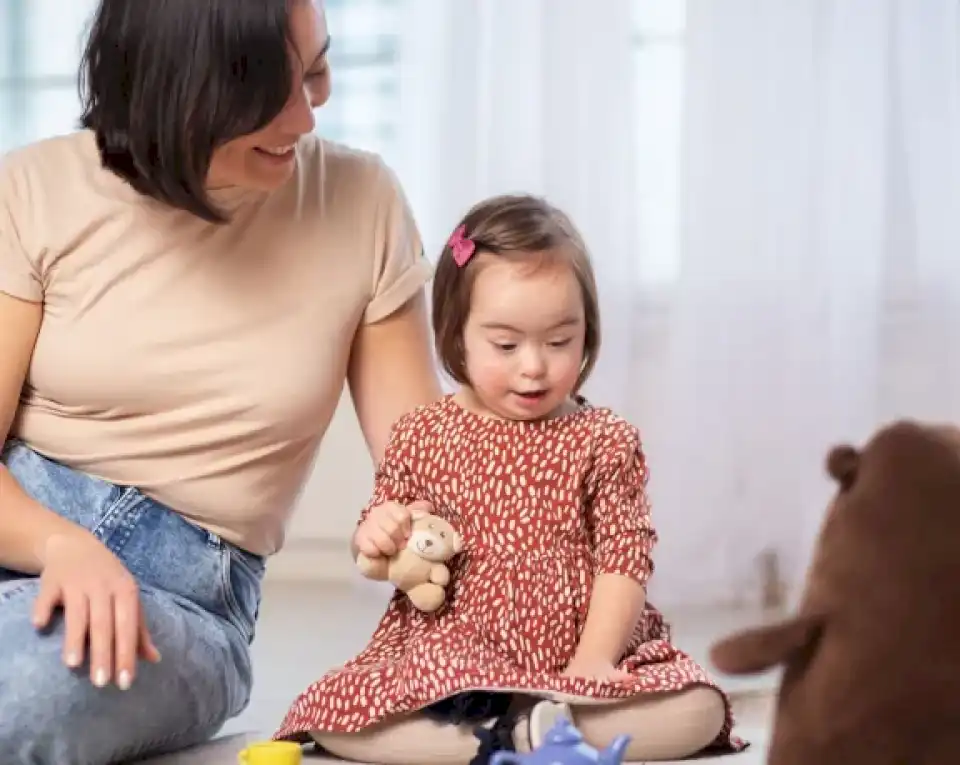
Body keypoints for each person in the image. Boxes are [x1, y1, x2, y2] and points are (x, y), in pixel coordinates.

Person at [0, 0, 440, 763]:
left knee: (34, 683)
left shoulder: (361, 205)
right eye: (276, 89)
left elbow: (432, 471)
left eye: (318, 71)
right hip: (26, 525)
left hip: (187, 599)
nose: (307, 118)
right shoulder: (37, 188)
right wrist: (61, 543)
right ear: (180, 87)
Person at [273, 195, 749, 764]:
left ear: (587, 333)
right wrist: (377, 532)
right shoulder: (423, 433)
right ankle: (509, 733)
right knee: (336, 718)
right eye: (506, 345)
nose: (533, 366)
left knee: (701, 708)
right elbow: (386, 539)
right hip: (459, 660)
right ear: (457, 336)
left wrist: (592, 665)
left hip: (582, 653)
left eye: (559, 342)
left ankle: (544, 726)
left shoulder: (604, 438)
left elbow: (624, 560)